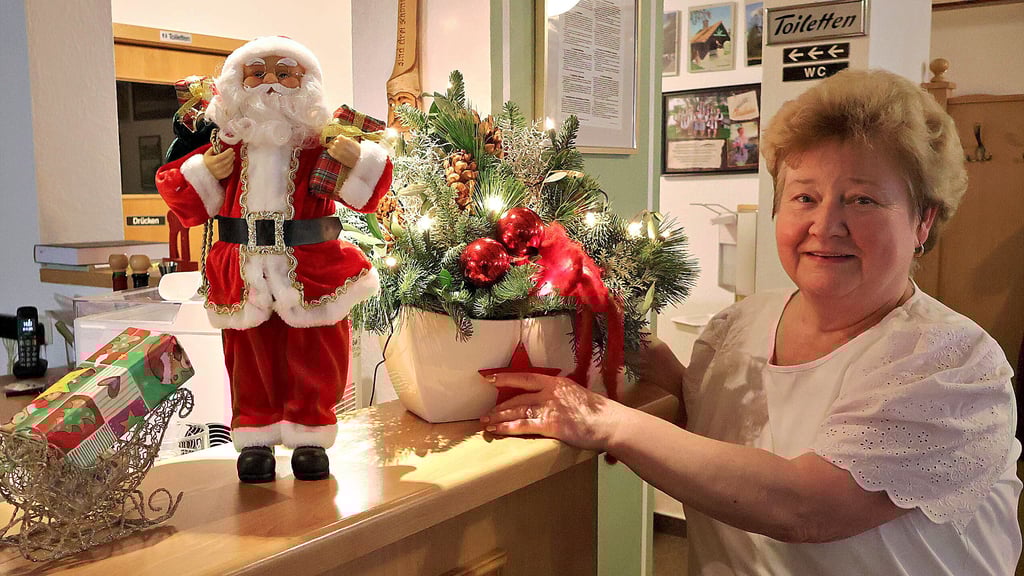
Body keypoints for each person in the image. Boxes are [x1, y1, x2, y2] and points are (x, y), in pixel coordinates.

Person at [481, 68, 1021, 575]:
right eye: (804, 196)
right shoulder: (738, 325)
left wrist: (608, 422)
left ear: (923, 220)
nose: (825, 224)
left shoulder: (952, 362)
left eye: (862, 199)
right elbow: (724, 432)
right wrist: (640, 354)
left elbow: (805, 506)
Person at [156, 37, 392, 483]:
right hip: (242, 266)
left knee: (317, 352)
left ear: (307, 84)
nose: (272, 83)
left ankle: (311, 437)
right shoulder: (222, 145)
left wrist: (357, 158)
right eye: (258, 72)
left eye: (285, 73)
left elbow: (366, 197)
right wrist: (206, 171)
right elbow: (181, 203)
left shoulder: (322, 143)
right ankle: (255, 438)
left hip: (310, 266)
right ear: (237, 83)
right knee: (249, 356)